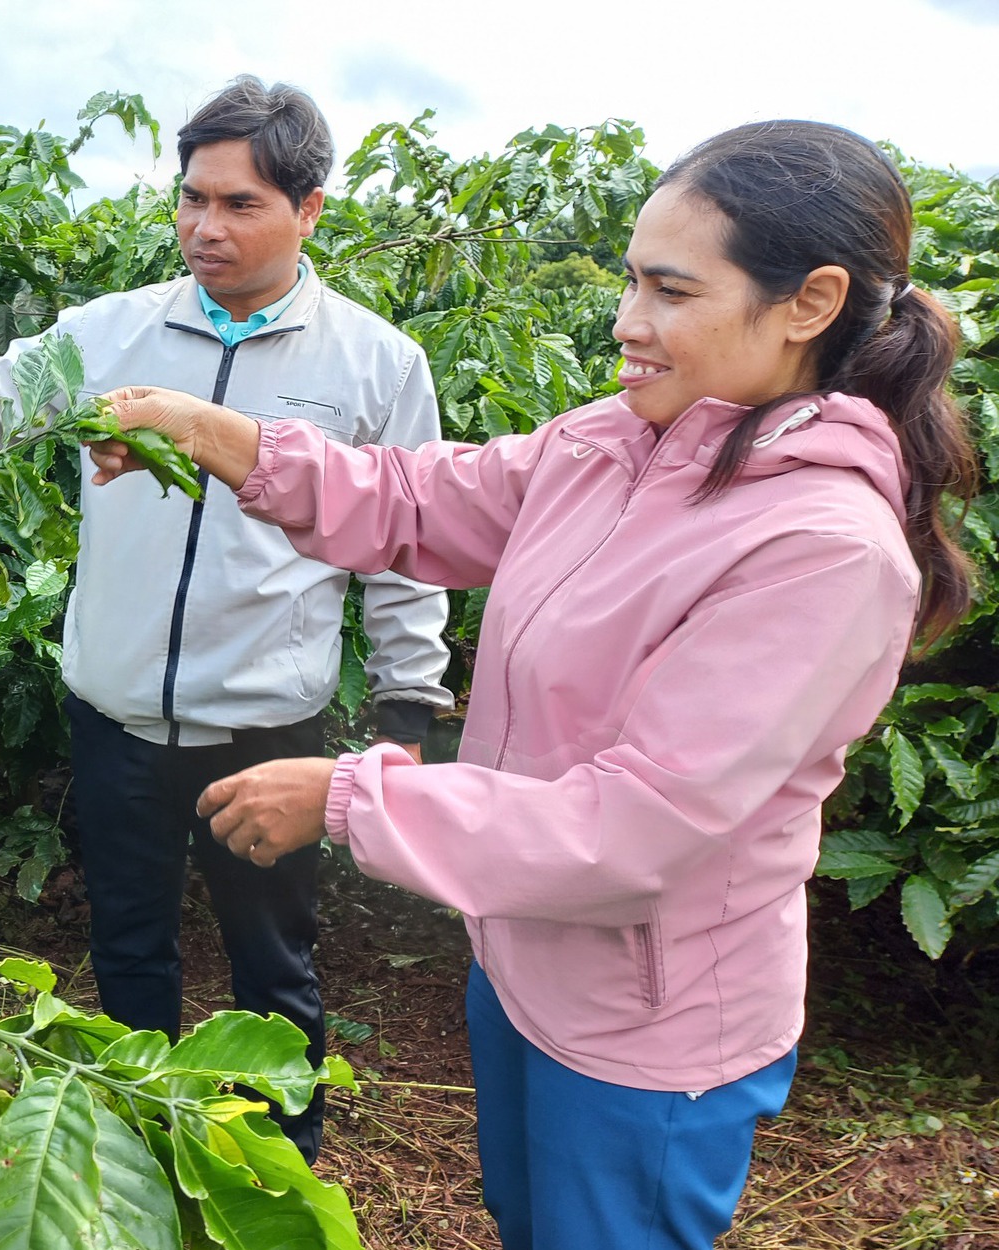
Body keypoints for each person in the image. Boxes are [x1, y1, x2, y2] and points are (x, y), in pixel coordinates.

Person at [90, 119, 976, 1248]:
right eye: (627, 281)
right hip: (523, 952)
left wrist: (350, 796)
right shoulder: (613, 442)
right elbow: (414, 498)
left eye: (668, 291)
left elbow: (637, 820)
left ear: (807, 302)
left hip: (648, 1026)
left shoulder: (820, 546)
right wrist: (209, 428)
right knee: (526, 1220)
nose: (626, 322)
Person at [0, 77, 453, 1160]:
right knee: (128, 942)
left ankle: (275, 1158)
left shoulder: (374, 363)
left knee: (273, 959)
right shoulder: (112, 330)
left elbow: (404, 543)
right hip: (116, 711)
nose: (203, 228)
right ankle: (134, 1147)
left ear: (309, 211)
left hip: (264, 725)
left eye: (238, 205)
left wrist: (406, 699)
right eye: (190, 198)